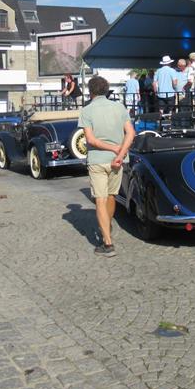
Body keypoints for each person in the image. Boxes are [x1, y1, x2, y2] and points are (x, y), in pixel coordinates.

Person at [78, 76, 135, 258]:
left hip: (97, 160)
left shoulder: (86, 111)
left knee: (100, 199)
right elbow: (131, 133)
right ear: (106, 90)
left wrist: (112, 148)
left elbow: (91, 140)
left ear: (90, 92)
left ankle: (108, 243)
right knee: (111, 196)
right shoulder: (119, 107)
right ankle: (107, 227)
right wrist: (120, 153)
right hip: (117, 161)